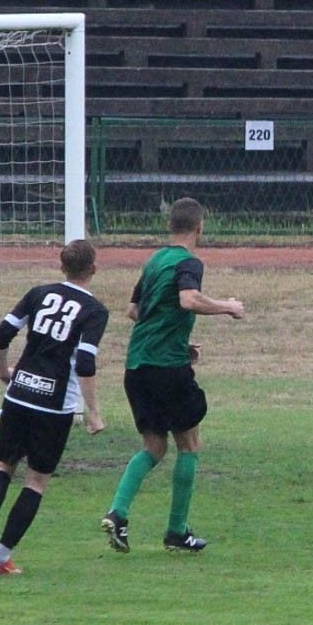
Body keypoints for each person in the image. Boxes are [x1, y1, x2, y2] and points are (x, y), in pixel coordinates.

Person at [0, 240, 108, 575]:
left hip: (19, 393)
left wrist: (3, 371)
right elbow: (84, 362)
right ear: (93, 269)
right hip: (54, 406)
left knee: (2, 466)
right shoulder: (95, 311)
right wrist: (93, 411)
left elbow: (1, 334)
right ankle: (0, 558)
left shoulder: (38, 293)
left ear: (61, 266)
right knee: (36, 480)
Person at [101, 197, 245, 554]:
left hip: (137, 366)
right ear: (200, 227)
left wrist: (178, 339)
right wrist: (227, 306)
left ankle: (118, 512)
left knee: (154, 446)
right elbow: (187, 299)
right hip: (166, 368)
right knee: (190, 445)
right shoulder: (188, 262)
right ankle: (177, 532)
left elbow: (135, 310)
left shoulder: (154, 261)